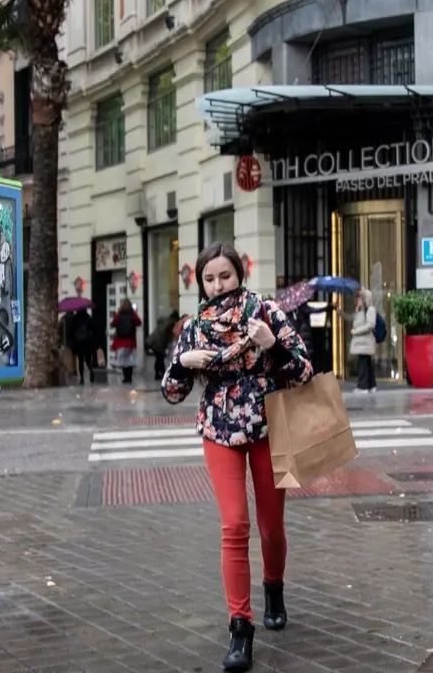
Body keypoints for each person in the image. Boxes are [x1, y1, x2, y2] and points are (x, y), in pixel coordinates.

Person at [161, 242, 313, 672]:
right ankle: (240, 627)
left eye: (224, 276)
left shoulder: (266, 312)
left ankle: (274, 586)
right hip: (219, 430)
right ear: (201, 282)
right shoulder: (193, 328)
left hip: (270, 425)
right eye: (209, 278)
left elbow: (303, 371)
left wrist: (272, 347)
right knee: (234, 525)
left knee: (270, 526)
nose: (217, 285)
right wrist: (182, 364)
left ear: (240, 274)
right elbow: (172, 394)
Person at [350, 288, 378, 392]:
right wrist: (338, 311)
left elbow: (371, 325)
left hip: (365, 343)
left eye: (360, 298)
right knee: (367, 364)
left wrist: (355, 331)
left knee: (363, 365)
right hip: (361, 343)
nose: (358, 300)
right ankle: (371, 385)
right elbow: (350, 318)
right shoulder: (360, 311)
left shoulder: (370, 309)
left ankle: (362, 386)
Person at [110, 299, 141, 383]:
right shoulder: (133, 314)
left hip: (121, 341)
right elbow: (139, 322)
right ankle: (129, 377)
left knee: (123, 360)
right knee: (130, 360)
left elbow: (113, 323)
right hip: (131, 341)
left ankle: (125, 378)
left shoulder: (119, 314)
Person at [146, 309, 180, 380]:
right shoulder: (171, 323)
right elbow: (166, 334)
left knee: (158, 358)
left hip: (153, 340)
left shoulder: (166, 320)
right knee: (160, 359)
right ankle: (161, 373)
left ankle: (158, 373)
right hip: (159, 342)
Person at [69, 309, 96, 384]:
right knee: (88, 359)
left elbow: (71, 331)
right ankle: (91, 370)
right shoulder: (89, 318)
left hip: (79, 342)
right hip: (88, 342)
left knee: (80, 360)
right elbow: (93, 329)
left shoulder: (75, 319)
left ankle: (82, 378)